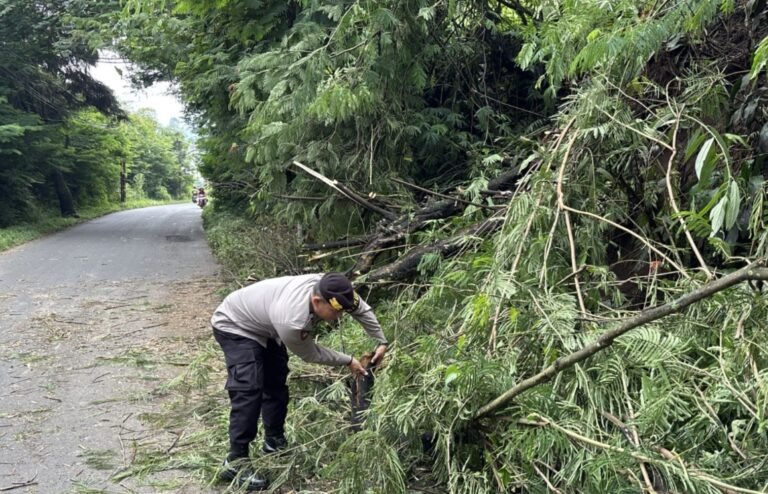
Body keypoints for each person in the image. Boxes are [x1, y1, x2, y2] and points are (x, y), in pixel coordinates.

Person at [211, 272, 388, 490]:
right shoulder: (292, 320)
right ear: (316, 301)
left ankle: (273, 440)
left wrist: (381, 341)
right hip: (235, 324)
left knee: (276, 382)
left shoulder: (334, 288)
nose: (340, 317)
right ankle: (235, 461)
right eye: (336, 312)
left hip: (267, 327)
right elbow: (311, 354)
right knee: (249, 390)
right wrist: (348, 360)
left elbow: (361, 310)